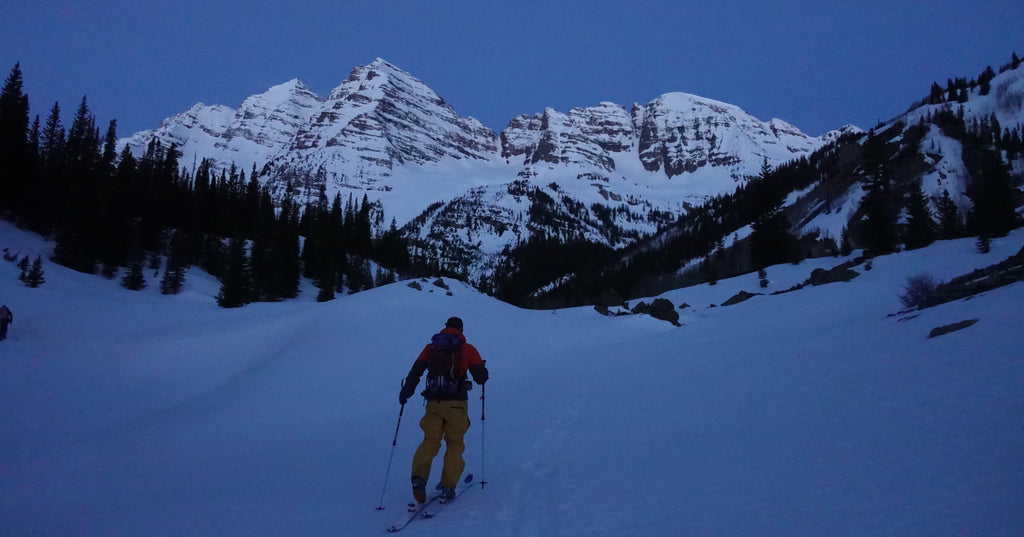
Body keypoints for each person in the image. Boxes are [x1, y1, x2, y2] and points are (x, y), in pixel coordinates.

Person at [399, 316, 488, 503]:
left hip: (433, 403)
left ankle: (418, 478)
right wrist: (483, 372)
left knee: (430, 441)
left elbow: (416, 371)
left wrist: (406, 392)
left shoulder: (431, 347)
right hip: (457, 404)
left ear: (445, 327)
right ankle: (448, 486)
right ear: (461, 330)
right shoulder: (467, 348)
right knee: (455, 444)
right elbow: (480, 377)